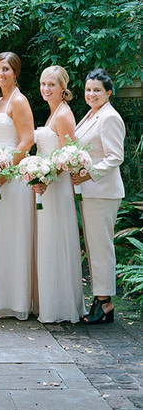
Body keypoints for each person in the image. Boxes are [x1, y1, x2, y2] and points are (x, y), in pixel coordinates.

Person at [0, 52, 35, 320]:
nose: (1, 74)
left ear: (15, 73)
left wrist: (7, 169)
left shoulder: (19, 101)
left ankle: (16, 301)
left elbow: (26, 141)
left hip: (11, 178)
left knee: (13, 235)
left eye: (6, 69)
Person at [73, 69, 126, 324]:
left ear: (108, 93)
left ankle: (104, 301)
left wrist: (88, 174)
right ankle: (100, 299)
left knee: (101, 246)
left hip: (103, 192)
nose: (91, 94)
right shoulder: (91, 114)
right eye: (88, 89)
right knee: (93, 247)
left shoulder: (109, 117)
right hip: (90, 192)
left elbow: (115, 157)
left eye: (97, 90)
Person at [34, 66, 85, 323]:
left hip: (57, 187)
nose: (46, 89)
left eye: (51, 85)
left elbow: (69, 158)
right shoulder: (53, 112)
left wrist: (44, 177)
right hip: (47, 186)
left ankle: (62, 307)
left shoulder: (63, 115)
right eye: (43, 84)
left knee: (57, 240)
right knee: (49, 242)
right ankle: (52, 303)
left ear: (63, 88)